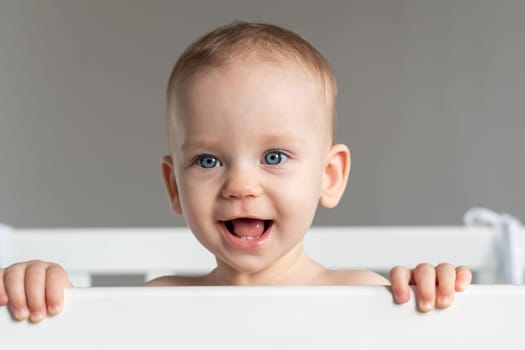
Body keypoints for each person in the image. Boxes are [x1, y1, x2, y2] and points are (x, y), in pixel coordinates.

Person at [0, 21, 471, 323]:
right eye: (208, 161)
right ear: (174, 187)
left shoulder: (371, 297)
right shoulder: (156, 306)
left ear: (330, 176)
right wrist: (40, 293)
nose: (241, 186)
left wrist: (434, 298)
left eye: (273, 157)